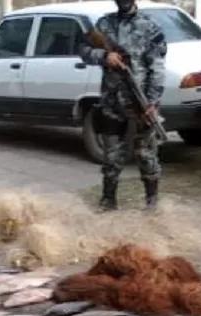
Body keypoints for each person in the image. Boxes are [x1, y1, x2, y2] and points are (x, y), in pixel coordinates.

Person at [79, 0, 167, 211]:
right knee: (111, 154)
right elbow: (83, 49)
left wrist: (152, 102)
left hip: (140, 100)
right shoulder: (104, 24)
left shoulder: (150, 26)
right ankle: (108, 200)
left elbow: (158, 67)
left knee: (146, 153)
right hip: (111, 100)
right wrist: (104, 56)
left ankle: (151, 201)